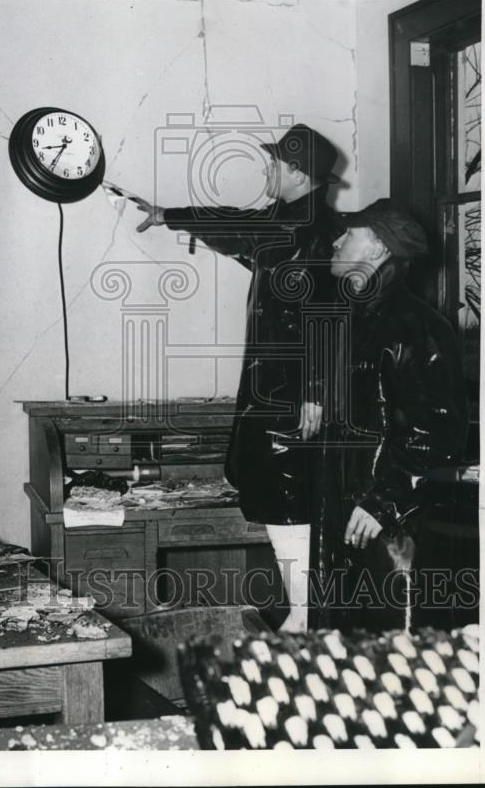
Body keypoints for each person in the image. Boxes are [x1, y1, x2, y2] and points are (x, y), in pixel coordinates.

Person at [135, 123, 341, 632]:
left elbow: (329, 319)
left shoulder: (316, 233)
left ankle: (306, 615)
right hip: (276, 390)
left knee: (289, 495)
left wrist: (314, 395)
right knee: (278, 494)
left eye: (274, 164)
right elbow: (234, 224)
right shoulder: (287, 221)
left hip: (294, 396)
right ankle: (302, 610)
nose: (267, 171)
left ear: (296, 172)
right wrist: (169, 216)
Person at [317, 198, 468, 631]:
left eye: (350, 234)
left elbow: (438, 430)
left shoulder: (418, 327)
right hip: (353, 516)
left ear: (378, 250)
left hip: (394, 526)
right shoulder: (357, 320)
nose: (337, 240)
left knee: (392, 662)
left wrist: (382, 499)